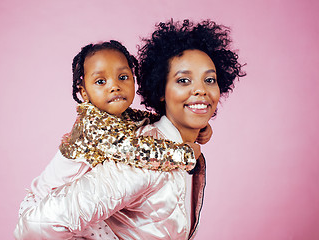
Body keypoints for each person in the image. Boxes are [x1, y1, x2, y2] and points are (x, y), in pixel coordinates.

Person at [14, 19, 245, 239]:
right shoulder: (137, 157)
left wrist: (200, 129)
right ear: (160, 90)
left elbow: (145, 118)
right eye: (183, 80)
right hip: (40, 200)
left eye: (210, 80)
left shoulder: (133, 123)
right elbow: (34, 226)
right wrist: (184, 154)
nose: (200, 90)